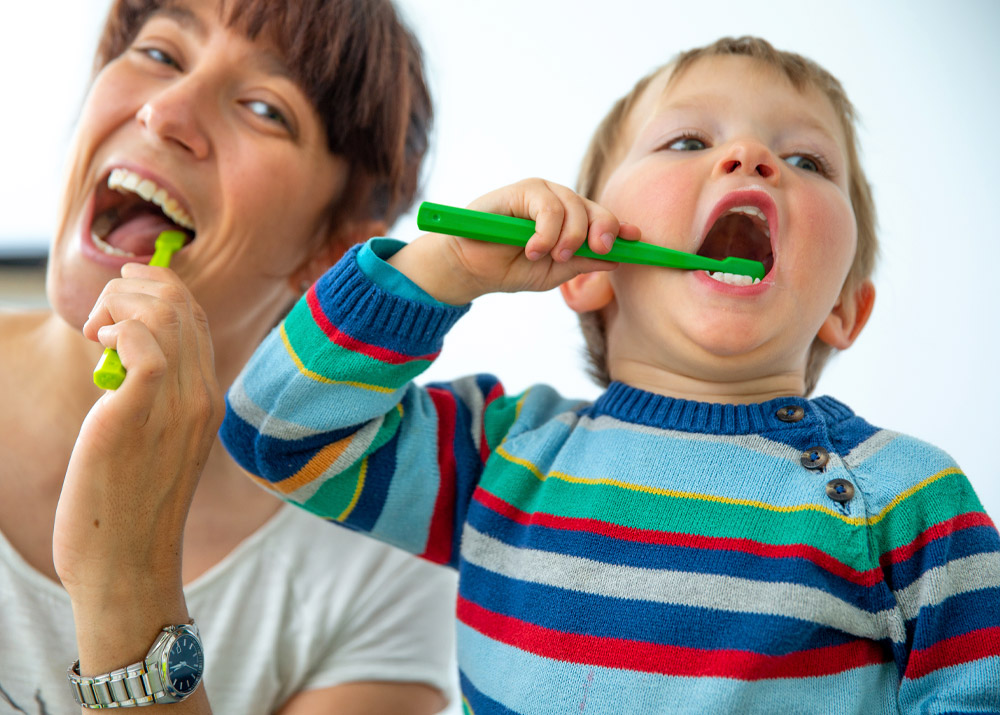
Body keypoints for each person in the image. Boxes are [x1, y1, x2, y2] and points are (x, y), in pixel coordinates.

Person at [220, 36, 1000, 713]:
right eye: (689, 141)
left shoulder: (907, 498)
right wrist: (446, 266)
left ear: (843, 310)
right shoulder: (504, 454)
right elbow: (273, 430)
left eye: (806, 160)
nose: (750, 158)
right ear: (588, 266)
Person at [0, 0, 459, 713]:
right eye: (159, 54)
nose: (167, 112)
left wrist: (128, 577)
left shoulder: (382, 576)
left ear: (330, 249)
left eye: (264, 108)